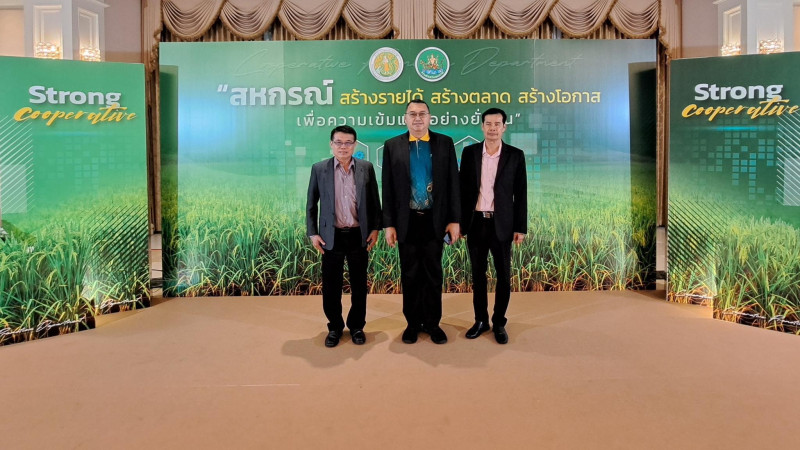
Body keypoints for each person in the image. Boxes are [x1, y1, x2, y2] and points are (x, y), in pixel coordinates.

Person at [382, 99, 460, 344]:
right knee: (410, 274)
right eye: (412, 114)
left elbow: (453, 183)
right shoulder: (392, 145)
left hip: (434, 220)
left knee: (433, 273)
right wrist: (389, 224)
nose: (417, 118)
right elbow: (388, 187)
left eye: (422, 114)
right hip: (406, 221)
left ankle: (433, 324)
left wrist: (454, 220)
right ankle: (413, 324)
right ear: (405, 118)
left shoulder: (444, 143)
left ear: (429, 117)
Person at [306, 125, 382, 347]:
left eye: (348, 143)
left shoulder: (366, 168)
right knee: (331, 286)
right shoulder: (319, 169)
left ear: (355, 145)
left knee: (359, 285)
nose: (343, 147)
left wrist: (375, 228)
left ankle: (357, 326)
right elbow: (311, 204)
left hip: (359, 235)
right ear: (331, 144)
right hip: (331, 236)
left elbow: (374, 201)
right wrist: (313, 233)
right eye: (338, 142)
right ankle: (335, 327)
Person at [459, 108, 527, 344]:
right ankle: (480, 320)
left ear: (504, 127)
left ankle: (499, 322)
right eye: (488, 124)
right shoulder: (469, 153)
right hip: (476, 223)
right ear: (482, 126)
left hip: (503, 225)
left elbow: (521, 193)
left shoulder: (515, 155)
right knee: (478, 275)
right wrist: (460, 224)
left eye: (497, 124)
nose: (492, 128)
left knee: (503, 276)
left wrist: (520, 227)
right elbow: (462, 191)